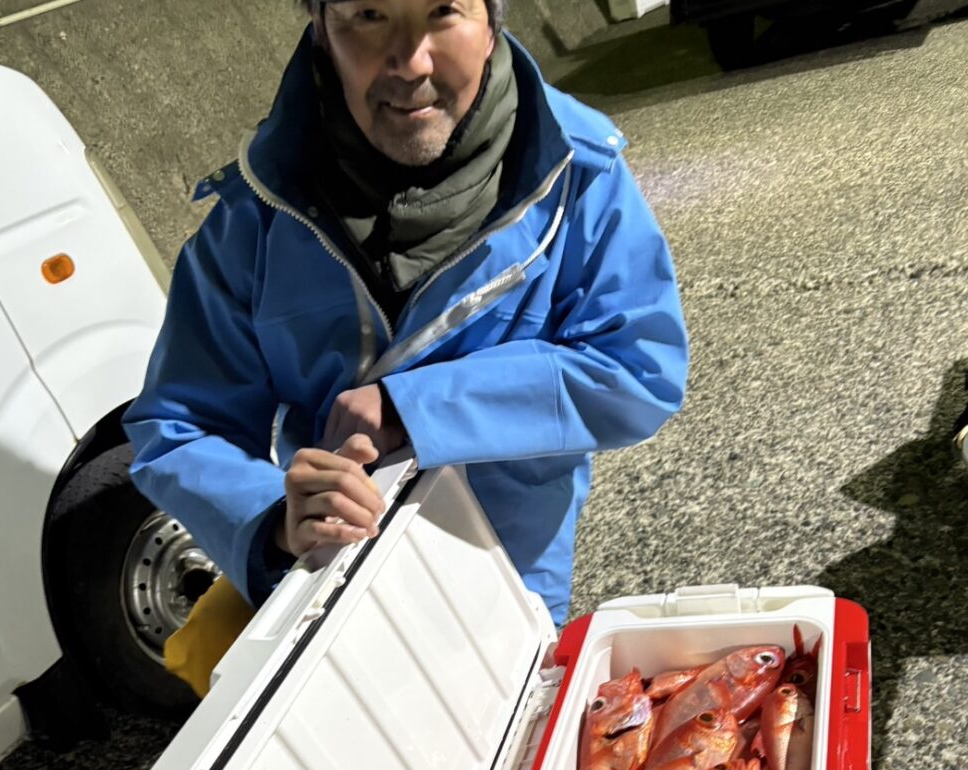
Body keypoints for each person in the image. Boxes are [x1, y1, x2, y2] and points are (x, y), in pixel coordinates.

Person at [124, 0, 688, 697]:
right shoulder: (255, 216)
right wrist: (271, 522)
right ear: (320, 26)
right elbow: (177, 424)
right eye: (368, 14)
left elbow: (639, 365)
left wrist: (413, 406)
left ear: (493, 18)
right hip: (329, 592)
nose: (410, 61)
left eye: (442, 11)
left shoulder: (579, 174)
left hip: (506, 591)